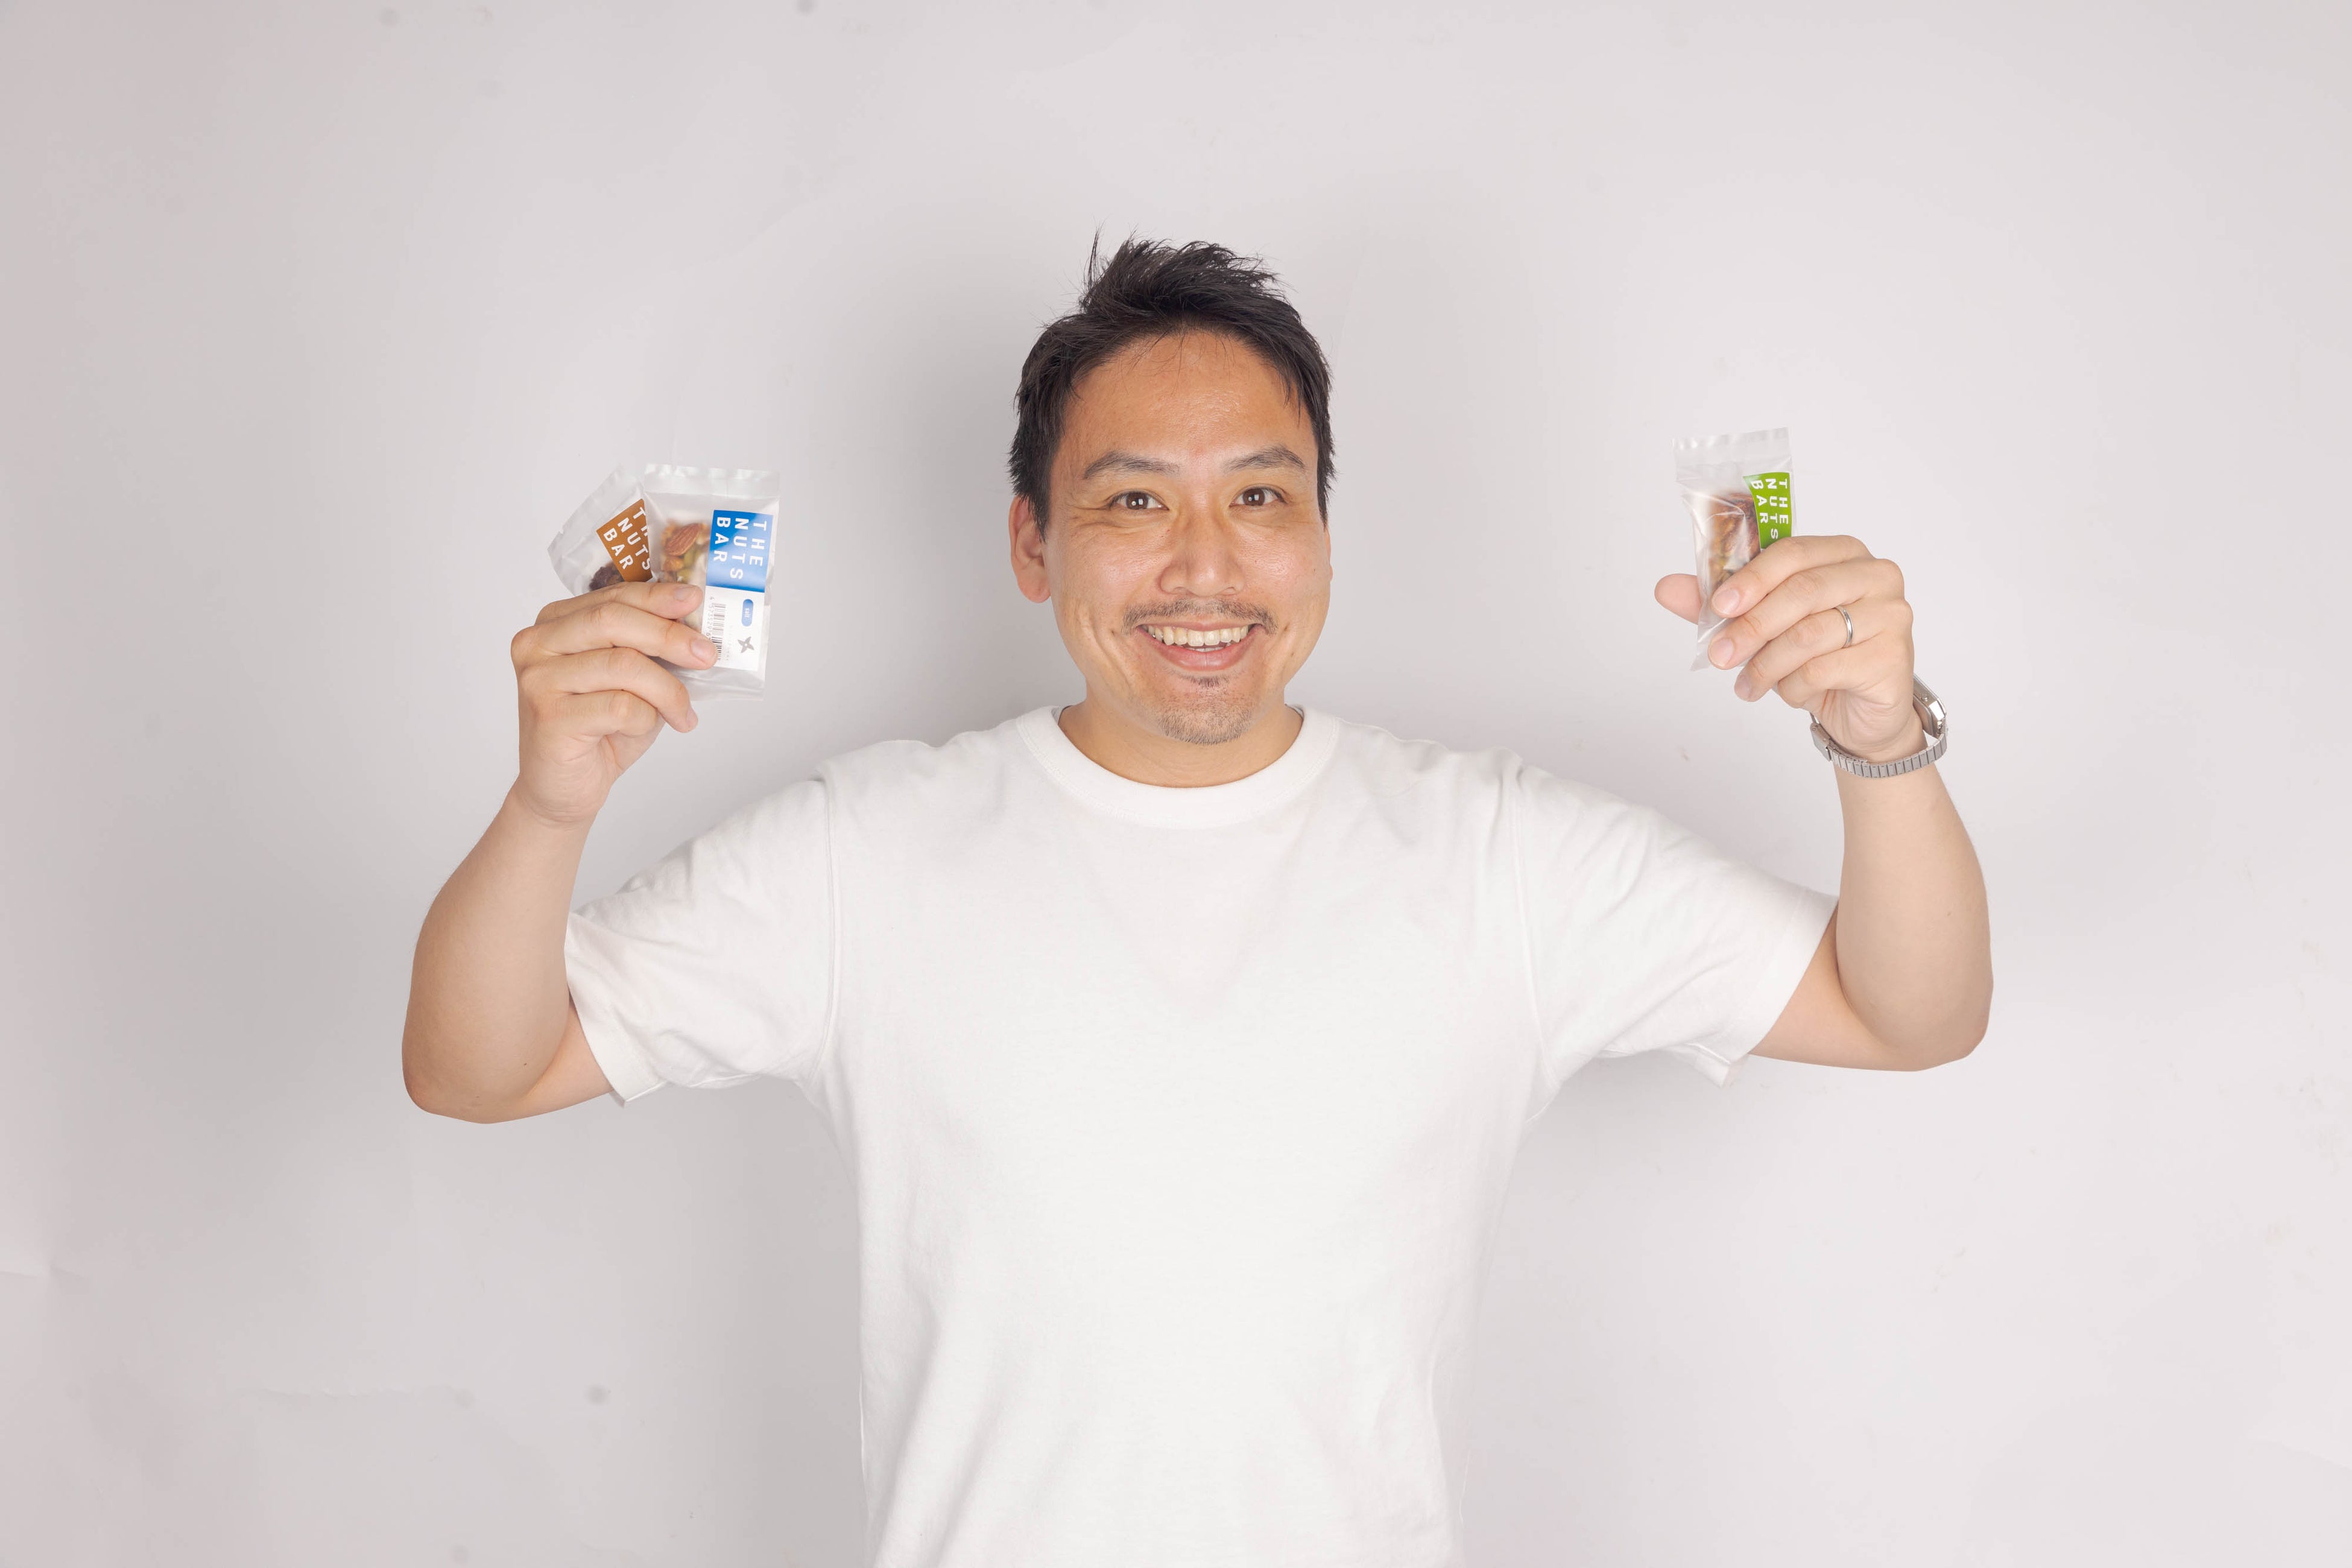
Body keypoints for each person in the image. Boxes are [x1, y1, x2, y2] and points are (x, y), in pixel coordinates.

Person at [403, 238, 1990, 1567]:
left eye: (1261, 497)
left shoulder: (1501, 855)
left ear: (1322, 534)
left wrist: (1878, 740)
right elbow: (476, 1066)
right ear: (1032, 545)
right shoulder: (860, 852)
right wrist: (553, 805)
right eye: (1133, 502)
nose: (1204, 570)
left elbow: (1907, 1012)